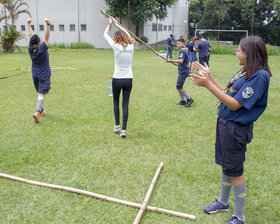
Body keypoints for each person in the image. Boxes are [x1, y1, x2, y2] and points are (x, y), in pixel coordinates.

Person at [190, 36, 272, 224]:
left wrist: (207, 85)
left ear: (249, 53)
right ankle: (223, 202)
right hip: (225, 124)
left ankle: (239, 216)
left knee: (235, 171)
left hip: (236, 129)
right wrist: (209, 77)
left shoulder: (260, 76)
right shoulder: (246, 71)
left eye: (240, 50)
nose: (237, 53)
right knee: (226, 167)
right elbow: (228, 93)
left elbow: (235, 104)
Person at [104, 17, 136, 138]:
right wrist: (117, 25)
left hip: (117, 79)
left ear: (116, 39)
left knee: (116, 102)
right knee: (125, 104)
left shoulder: (115, 46)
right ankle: (123, 130)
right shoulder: (131, 47)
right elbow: (127, 33)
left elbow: (105, 34)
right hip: (128, 79)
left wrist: (110, 24)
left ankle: (117, 125)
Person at [27, 18, 51, 123]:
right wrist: (48, 24)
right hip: (44, 74)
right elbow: (47, 36)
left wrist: (28, 25)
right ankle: (37, 112)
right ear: (39, 42)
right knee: (42, 93)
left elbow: (30, 36)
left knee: (40, 92)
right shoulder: (42, 49)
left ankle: (41, 110)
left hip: (35, 75)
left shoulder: (30, 50)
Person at [166, 38, 194, 107]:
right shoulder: (183, 50)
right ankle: (183, 100)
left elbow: (181, 61)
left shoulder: (182, 50)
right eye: (177, 43)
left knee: (179, 86)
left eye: (179, 44)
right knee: (179, 86)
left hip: (183, 71)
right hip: (182, 70)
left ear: (183, 44)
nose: (177, 45)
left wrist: (170, 60)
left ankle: (189, 99)